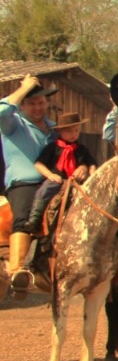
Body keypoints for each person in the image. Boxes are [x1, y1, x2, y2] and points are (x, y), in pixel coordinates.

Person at [0, 75, 56, 290]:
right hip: (23, 183)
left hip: (53, 183)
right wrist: (24, 88)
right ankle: (16, 271)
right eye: (31, 103)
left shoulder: (54, 129)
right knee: (23, 216)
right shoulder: (12, 124)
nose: (37, 108)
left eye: (41, 102)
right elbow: (1, 110)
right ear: (21, 105)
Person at [28, 113, 97, 237]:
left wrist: (91, 174)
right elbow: (38, 164)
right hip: (57, 180)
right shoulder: (52, 148)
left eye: (76, 131)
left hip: (76, 182)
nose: (74, 134)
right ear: (60, 131)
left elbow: (92, 163)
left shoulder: (81, 149)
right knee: (44, 190)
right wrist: (50, 175)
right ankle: (34, 219)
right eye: (70, 131)